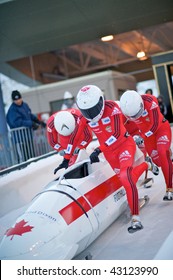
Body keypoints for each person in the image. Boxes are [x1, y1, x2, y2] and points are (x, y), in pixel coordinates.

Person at [62, 85, 159, 233]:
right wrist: (66, 158)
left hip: (124, 146)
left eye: (93, 109)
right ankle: (146, 165)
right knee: (127, 179)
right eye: (86, 111)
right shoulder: (84, 118)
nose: (90, 114)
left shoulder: (112, 108)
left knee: (126, 178)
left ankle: (135, 218)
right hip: (109, 153)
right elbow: (75, 137)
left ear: (100, 102)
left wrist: (99, 149)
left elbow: (117, 135)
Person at [120, 90, 173, 201]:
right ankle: (169, 155)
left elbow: (155, 125)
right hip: (148, 137)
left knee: (162, 153)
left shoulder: (150, 100)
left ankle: (169, 188)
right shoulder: (124, 112)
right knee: (159, 162)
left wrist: (142, 137)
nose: (135, 117)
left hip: (161, 129)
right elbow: (121, 129)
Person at [46, 108, 93, 174]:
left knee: (80, 156)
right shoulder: (51, 124)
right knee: (70, 160)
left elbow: (88, 136)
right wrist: (60, 149)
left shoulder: (79, 116)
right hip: (64, 140)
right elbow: (52, 141)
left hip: (78, 135)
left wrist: (81, 146)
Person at [6, 90, 46, 162]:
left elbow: (29, 115)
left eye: (19, 99)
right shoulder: (12, 110)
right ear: (13, 101)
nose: (18, 101)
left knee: (31, 155)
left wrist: (38, 121)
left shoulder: (25, 105)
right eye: (16, 100)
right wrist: (31, 123)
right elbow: (16, 122)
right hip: (19, 138)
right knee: (24, 157)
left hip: (28, 136)